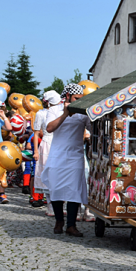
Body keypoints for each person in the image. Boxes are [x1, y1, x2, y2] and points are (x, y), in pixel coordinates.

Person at [42, 84, 91, 237]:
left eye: (81, 99)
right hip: (57, 155)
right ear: (68, 96)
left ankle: (71, 224)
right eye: (76, 98)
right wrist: (65, 113)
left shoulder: (83, 113)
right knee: (56, 189)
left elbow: (93, 128)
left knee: (74, 190)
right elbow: (49, 128)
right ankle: (59, 221)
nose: (79, 101)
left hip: (75, 156)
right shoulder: (53, 110)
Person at [34, 91, 63, 217]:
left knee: (59, 175)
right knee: (47, 174)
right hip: (46, 143)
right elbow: (36, 133)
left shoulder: (60, 111)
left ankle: (61, 204)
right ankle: (50, 205)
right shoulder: (40, 113)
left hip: (58, 143)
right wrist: (35, 150)